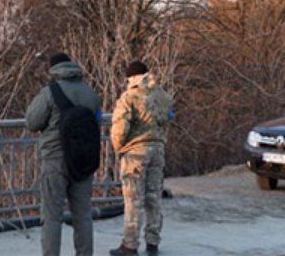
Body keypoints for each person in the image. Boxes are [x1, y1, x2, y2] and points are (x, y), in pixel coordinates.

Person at [26, 53, 103, 256]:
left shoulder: (49, 93)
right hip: (82, 160)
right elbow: (96, 123)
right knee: (83, 215)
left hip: (55, 159)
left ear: (54, 70)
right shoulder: (90, 93)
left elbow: (32, 122)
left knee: (52, 216)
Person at [109, 61, 174, 256]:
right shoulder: (161, 95)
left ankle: (130, 245)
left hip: (136, 153)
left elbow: (120, 128)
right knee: (153, 197)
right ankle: (153, 242)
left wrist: (119, 147)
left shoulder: (129, 97)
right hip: (157, 149)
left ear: (131, 78)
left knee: (133, 200)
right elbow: (167, 118)